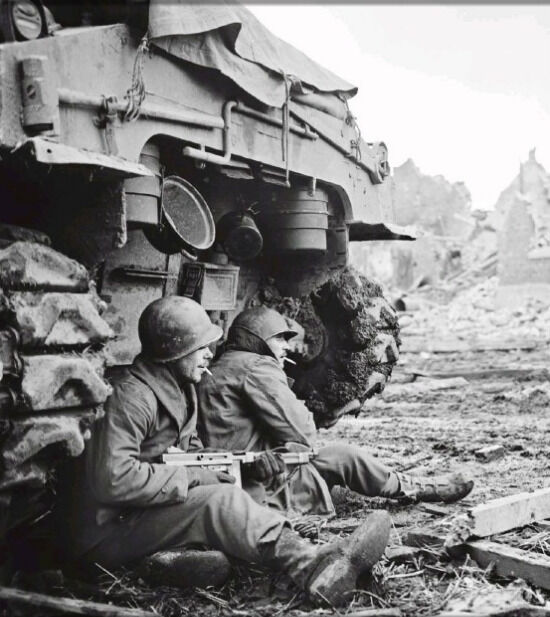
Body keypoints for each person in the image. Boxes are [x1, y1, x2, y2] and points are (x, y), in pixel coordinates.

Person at [57, 296, 392, 606]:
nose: (209, 354)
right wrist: (193, 477)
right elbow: (113, 479)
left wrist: (243, 466)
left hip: (139, 513)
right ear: (175, 351)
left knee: (235, 492)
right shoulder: (131, 397)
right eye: (201, 347)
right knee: (218, 501)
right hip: (105, 533)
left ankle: (173, 564)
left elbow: (189, 453)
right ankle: (313, 567)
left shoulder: (180, 390)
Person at [198, 305, 474, 517]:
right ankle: (417, 488)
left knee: (338, 461)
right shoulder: (256, 366)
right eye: (279, 338)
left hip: (239, 479)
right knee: (345, 457)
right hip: (261, 485)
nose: (286, 346)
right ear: (258, 338)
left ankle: (406, 486)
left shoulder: (225, 365)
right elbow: (303, 433)